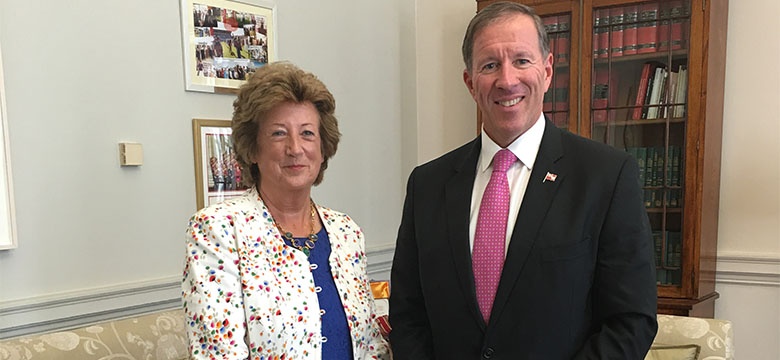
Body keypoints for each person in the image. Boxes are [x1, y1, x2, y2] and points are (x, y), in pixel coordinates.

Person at [389, 2, 658, 359]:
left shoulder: (606, 175)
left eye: (521, 60)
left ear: (546, 71)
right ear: (470, 83)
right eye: (489, 65)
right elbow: (408, 314)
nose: (507, 80)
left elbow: (631, 321)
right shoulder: (427, 185)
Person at [182, 61, 390, 360]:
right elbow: (218, 353)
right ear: (252, 149)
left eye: (307, 133)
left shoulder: (346, 232)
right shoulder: (218, 229)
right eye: (279, 134)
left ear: (323, 147)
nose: (295, 148)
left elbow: (370, 345)